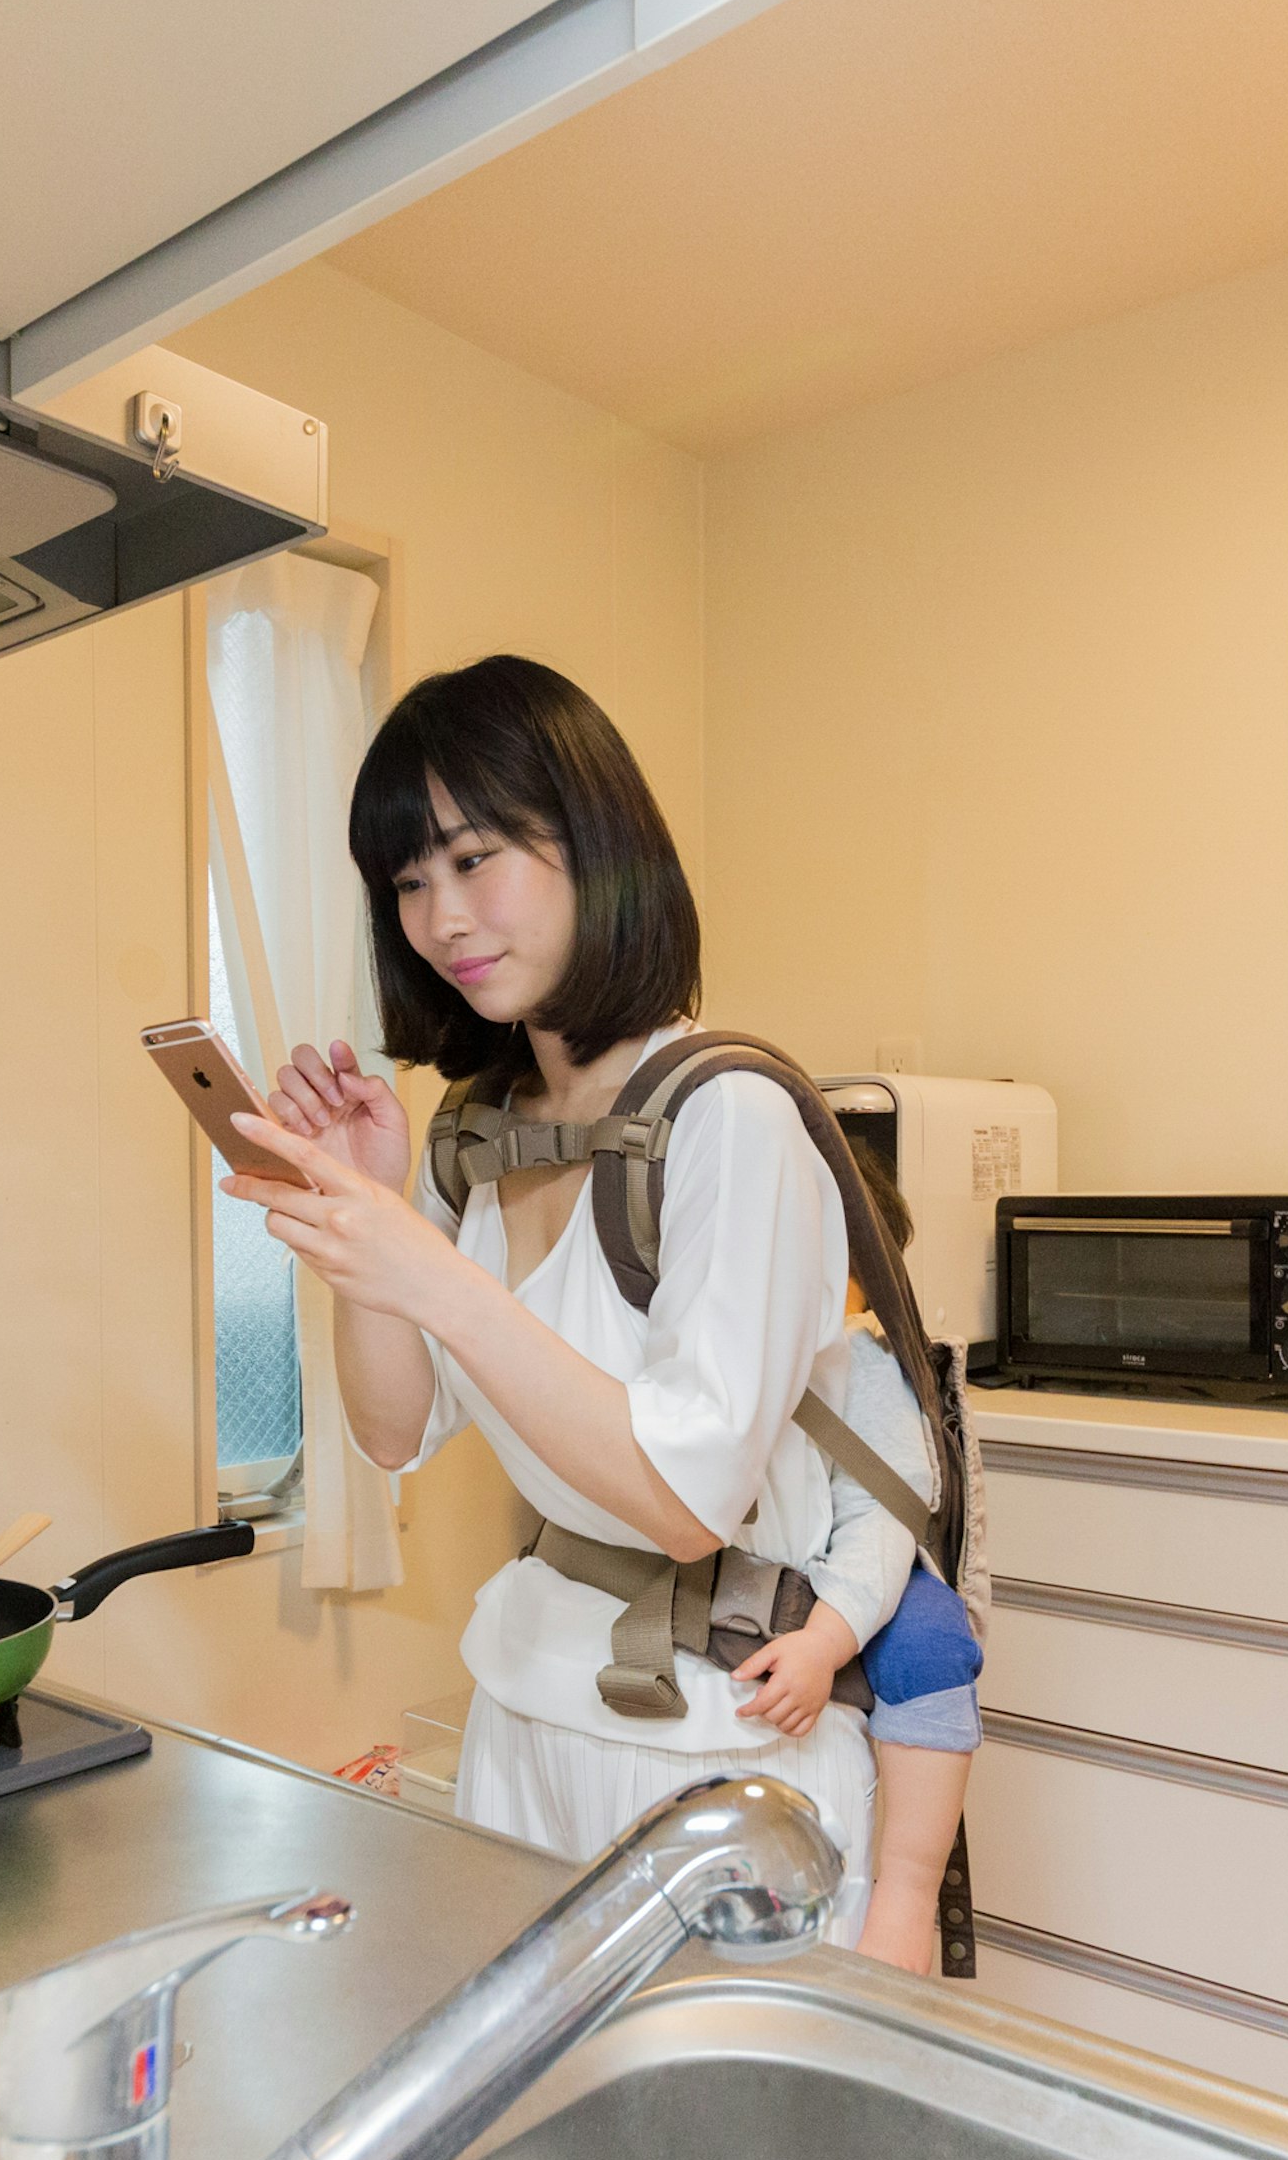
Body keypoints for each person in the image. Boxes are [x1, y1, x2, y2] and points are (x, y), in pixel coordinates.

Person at [220, 654, 881, 1933]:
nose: (441, 916)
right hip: (523, 1711)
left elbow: (690, 1502)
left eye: (475, 860)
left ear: (592, 843)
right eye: (408, 881)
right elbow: (393, 1428)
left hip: (715, 1746)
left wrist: (428, 1272)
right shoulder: (482, 1129)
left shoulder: (729, 1114)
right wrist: (368, 1226)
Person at [717, 1148, 982, 1976]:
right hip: (761, 1571)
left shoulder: (863, 1367)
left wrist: (828, 1641)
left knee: (935, 1645)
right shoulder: (718, 1347)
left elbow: (882, 1524)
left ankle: (905, 1899)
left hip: (862, 1571)